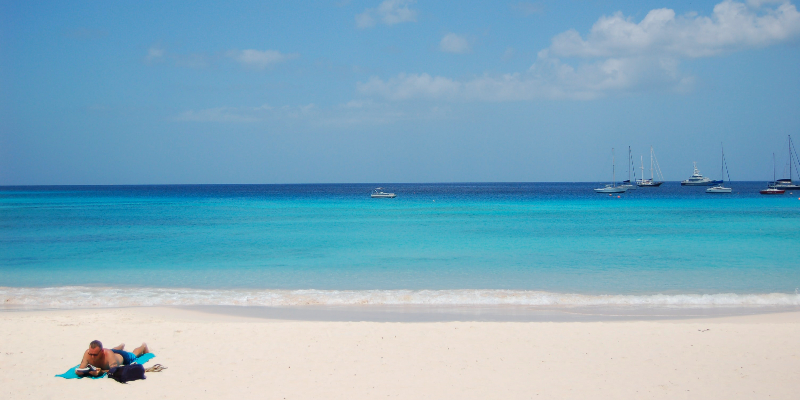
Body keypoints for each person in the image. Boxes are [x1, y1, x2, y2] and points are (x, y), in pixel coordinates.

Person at [76, 340, 150, 377]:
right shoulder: (87, 353)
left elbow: (114, 370)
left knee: (134, 355)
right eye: (90, 354)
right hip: (111, 352)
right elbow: (81, 368)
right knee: (112, 349)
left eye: (95, 355)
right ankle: (121, 346)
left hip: (122, 356)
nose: (92, 357)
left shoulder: (108, 354)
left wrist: (101, 372)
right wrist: (79, 372)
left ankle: (143, 346)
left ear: (102, 351)